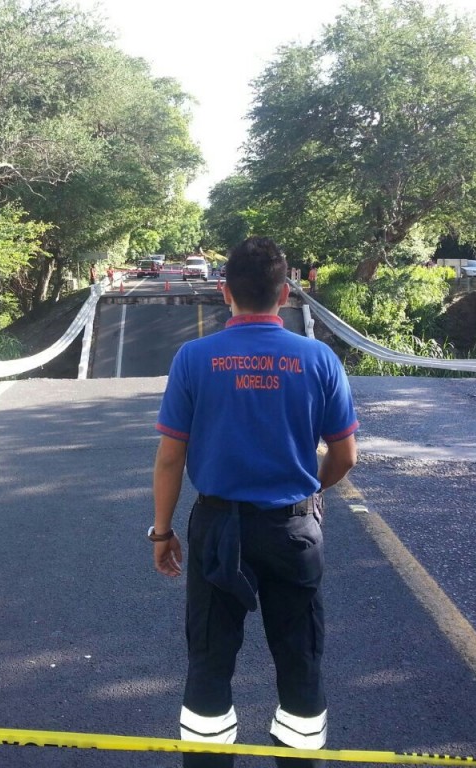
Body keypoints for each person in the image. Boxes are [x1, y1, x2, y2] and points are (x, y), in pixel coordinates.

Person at [150, 236, 359, 767]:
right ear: (285, 292)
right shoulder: (319, 359)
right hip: (294, 530)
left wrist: (162, 530)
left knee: (210, 660)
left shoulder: (194, 358)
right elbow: (345, 456)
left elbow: (171, 459)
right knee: (300, 660)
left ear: (225, 293)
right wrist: (312, 490)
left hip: (219, 530)